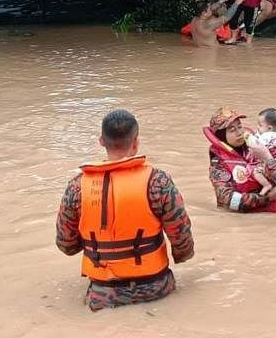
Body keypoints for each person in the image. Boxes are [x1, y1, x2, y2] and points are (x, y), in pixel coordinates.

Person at [56, 109, 194, 311]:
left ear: (101, 141)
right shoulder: (158, 182)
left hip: (102, 295)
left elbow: (65, 244)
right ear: (136, 142)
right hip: (157, 289)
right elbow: (181, 237)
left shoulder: (77, 187)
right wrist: (182, 256)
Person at [205, 107, 276, 212]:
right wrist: (269, 197)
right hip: (250, 218)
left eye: (240, 127)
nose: (239, 133)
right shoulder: (218, 165)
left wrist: (271, 159)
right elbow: (227, 200)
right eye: (232, 130)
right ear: (222, 137)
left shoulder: (257, 144)